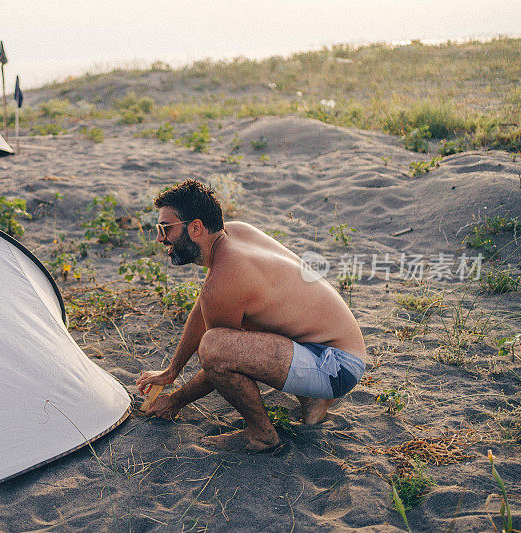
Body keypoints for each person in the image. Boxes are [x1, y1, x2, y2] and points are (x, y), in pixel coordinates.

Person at [136, 179, 366, 453]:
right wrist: (172, 371)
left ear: (195, 227)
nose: (160, 238)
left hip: (335, 366)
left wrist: (176, 401)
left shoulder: (224, 279)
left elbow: (218, 358)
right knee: (227, 338)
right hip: (340, 351)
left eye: (166, 228)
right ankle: (313, 400)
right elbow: (203, 306)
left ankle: (261, 435)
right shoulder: (234, 234)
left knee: (214, 346)